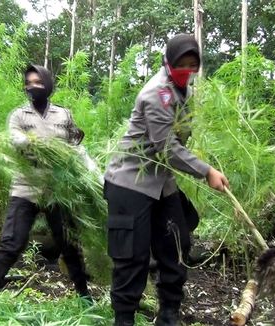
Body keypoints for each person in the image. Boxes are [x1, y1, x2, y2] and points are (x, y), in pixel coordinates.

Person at [103, 34, 229, 326]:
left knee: (176, 245)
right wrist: (206, 171)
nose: (187, 70)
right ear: (168, 63)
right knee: (132, 256)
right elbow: (167, 147)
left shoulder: (185, 91)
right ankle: (124, 318)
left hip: (161, 182)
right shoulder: (156, 93)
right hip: (130, 182)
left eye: (192, 64)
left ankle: (169, 313)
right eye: (181, 64)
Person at [0, 64, 91, 300]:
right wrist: (25, 141)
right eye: (29, 83)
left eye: (38, 82)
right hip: (26, 185)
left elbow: (74, 145)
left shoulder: (64, 114)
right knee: (12, 242)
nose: (33, 87)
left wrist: (83, 160)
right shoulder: (19, 115)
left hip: (57, 188)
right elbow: (13, 138)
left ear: (48, 85)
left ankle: (84, 295)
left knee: (69, 244)